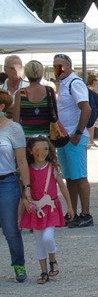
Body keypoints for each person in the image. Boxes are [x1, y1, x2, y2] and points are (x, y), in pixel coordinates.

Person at [19, 136, 75, 284]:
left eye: (45, 148)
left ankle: (52, 260)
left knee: (47, 238)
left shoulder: (53, 168)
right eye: (38, 149)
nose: (42, 152)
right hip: (35, 210)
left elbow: (63, 187)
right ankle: (44, 272)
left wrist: (69, 205)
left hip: (50, 209)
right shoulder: (28, 171)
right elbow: (23, 194)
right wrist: (23, 210)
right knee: (39, 242)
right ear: (31, 151)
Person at [52, 54, 93, 228]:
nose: (57, 69)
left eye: (60, 66)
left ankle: (86, 214)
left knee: (80, 176)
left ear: (68, 66)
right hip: (64, 136)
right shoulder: (63, 84)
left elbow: (86, 108)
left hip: (74, 136)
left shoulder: (74, 83)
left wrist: (78, 132)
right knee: (70, 177)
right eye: (55, 66)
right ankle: (72, 212)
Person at [0, 90, 31, 282]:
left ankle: (18, 264)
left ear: (2, 107)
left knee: (10, 228)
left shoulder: (13, 129)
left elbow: (22, 161)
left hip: (7, 181)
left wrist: (26, 187)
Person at [12, 61, 54, 137]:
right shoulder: (49, 91)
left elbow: (16, 120)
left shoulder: (20, 93)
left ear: (27, 74)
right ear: (41, 74)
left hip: (26, 137)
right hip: (46, 138)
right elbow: (55, 114)